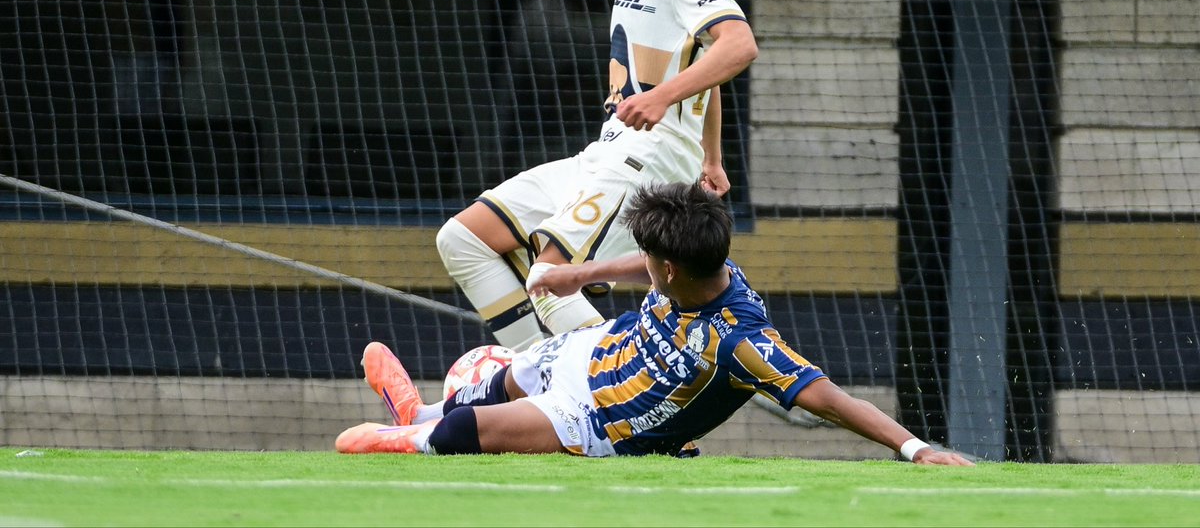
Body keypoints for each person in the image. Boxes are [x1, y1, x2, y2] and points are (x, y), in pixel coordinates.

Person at [339, 182, 974, 465]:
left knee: (472, 427)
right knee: (485, 375)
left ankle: (412, 437)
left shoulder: (742, 342)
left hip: (599, 422)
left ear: (669, 269)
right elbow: (645, 265)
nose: (644, 263)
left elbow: (830, 399)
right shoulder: (705, 260)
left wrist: (916, 449)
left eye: (650, 259)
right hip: (595, 352)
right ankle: (414, 412)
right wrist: (575, 276)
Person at [437, 0, 759, 352]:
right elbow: (705, 56)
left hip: (646, 162)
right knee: (465, 238)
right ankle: (537, 384)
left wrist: (658, 97)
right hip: (611, 151)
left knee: (549, 282)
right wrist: (712, 159)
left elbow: (737, 46)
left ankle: (609, 397)